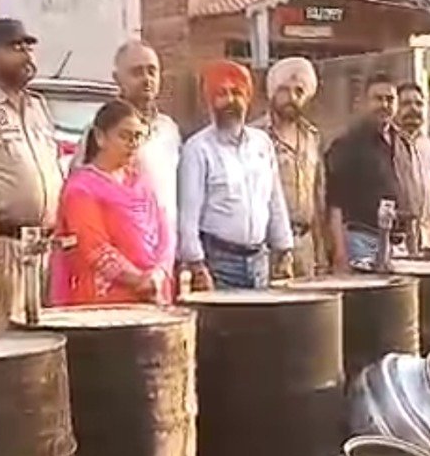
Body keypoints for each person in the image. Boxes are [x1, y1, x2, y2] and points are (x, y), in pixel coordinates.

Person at [0, 18, 63, 326]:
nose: (25, 55)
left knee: (45, 334)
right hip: (4, 246)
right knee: (7, 335)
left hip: (45, 248)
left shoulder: (37, 106)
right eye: (15, 47)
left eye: (28, 47)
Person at [177, 60, 295, 291]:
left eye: (237, 93)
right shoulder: (198, 148)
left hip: (260, 260)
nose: (230, 101)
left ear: (247, 98)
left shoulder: (262, 143)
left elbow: (274, 200)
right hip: (219, 262)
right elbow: (188, 216)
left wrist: (284, 248)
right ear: (210, 101)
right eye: (222, 94)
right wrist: (196, 265)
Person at [50, 100, 173, 306]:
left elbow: (165, 236)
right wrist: (138, 281)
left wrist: (158, 275)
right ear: (100, 137)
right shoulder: (81, 188)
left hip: (153, 295)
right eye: (124, 136)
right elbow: (95, 248)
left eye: (138, 137)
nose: (132, 144)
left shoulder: (143, 183)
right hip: (105, 301)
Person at [324, 72, 407, 270]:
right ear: (363, 103)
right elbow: (334, 204)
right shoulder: (347, 145)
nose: (384, 104)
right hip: (361, 243)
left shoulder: (402, 143)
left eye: (390, 99)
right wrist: (340, 252)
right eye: (378, 99)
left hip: (398, 245)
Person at [253, 56, 325, 277]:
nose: (291, 98)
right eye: (284, 90)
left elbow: (317, 196)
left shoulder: (312, 137)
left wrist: (321, 252)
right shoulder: (255, 136)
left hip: (305, 245)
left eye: (299, 91)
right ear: (272, 92)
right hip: (269, 245)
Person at [106, 41, 181, 235]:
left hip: (166, 243)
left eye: (152, 71)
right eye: (137, 72)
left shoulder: (169, 129)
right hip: (124, 241)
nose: (147, 79)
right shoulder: (104, 131)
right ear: (117, 79)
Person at [395, 81, 430, 248]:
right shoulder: (388, 145)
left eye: (419, 104)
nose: (413, 109)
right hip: (398, 244)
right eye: (406, 104)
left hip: (428, 242)